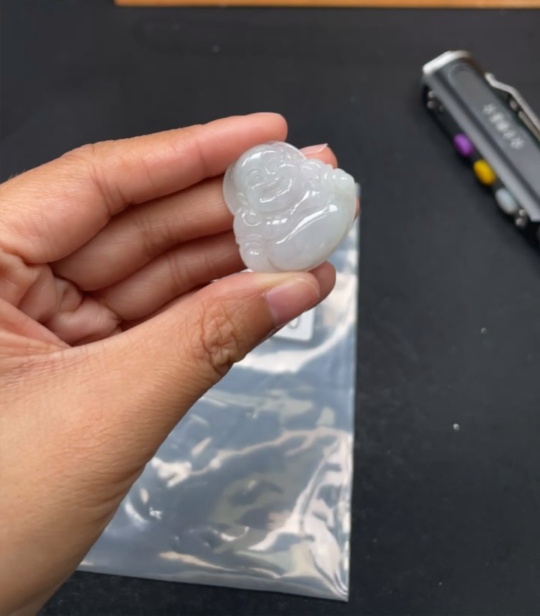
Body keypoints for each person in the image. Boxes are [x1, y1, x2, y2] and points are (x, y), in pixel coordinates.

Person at [0, 114, 340, 616]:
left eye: (278, 174)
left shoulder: (314, 192)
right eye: (261, 182)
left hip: (310, 221)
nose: (271, 183)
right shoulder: (255, 220)